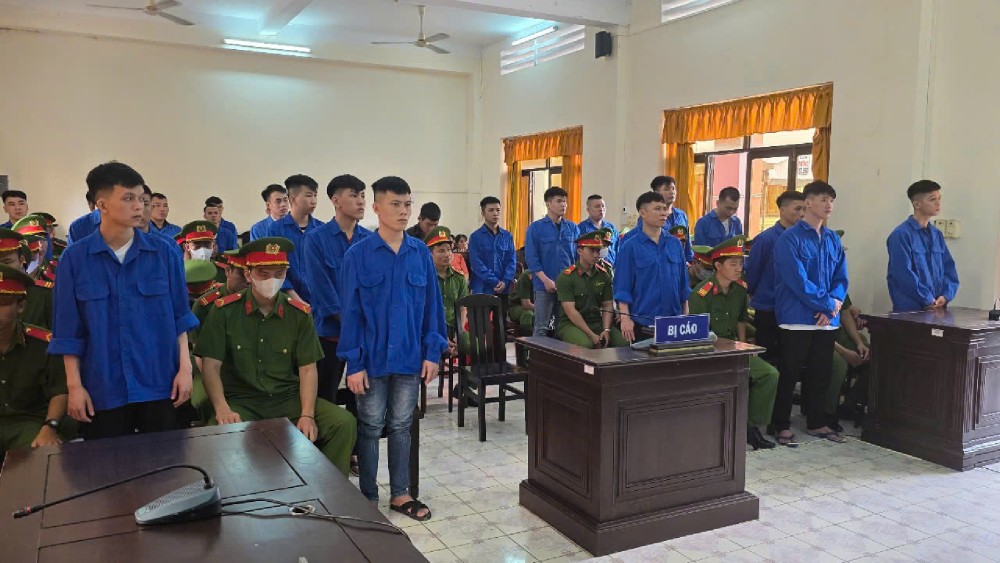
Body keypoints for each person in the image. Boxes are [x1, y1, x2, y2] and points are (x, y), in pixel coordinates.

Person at [49, 161, 197, 440]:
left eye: (142, 199)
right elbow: (68, 331)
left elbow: (180, 317)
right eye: (128, 198)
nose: (139, 206)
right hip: (103, 387)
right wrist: (75, 387)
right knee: (107, 471)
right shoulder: (75, 259)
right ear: (102, 205)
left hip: (159, 381)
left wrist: (185, 370)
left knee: (167, 468)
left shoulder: (164, 253)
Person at [195, 237, 357, 476]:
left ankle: (328, 491)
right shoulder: (224, 312)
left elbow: (308, 369)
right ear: (248, 275)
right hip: (242, 400)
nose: (271, 280)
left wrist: (307, 414)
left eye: (279, 273)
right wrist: (222, 408)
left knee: (343, 423)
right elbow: (210, 366)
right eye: (263, 273)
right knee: (217, 434)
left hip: (286, 398)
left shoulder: (299, 314)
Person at [338, 176, 447, 522]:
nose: (403, 212)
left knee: (401, 425)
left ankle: (400, 494)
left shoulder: (420, 255)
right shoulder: (358, 256)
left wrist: (432, 353)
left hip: (409, 359)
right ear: (376, 208)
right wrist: (353, 363)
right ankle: (368, 495)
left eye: (407, 204)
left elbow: (433, 308)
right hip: (370, 360)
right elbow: (350, 314)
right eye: (395, 204)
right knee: (369, 427)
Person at [770, 180, 848, 446]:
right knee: (789, 373)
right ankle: (780, 424)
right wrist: (826, 304)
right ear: (808, 204)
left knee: (820, 373)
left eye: (832, 201)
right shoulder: (789, 239)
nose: (829, 205)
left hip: (827, 320)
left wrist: (834, 302)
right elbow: (797, 281)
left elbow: (841, 277)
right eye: (823, 199)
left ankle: (817, 422)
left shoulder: (832, 239)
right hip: (797, 319)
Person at [689, 236, 778, 450]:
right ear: (718, 266)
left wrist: (744, 345)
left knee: (769, 374)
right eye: (733, 264)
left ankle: (752, 427)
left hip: (733, 350)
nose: (739, 268)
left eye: (741, 263)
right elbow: (699, 333)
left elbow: (741, 320)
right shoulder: (701, 294)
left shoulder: (739, 290)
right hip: (710, 351)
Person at [302, 174, 372, 406]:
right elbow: (322, 290)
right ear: (335, 200)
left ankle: (358, 442)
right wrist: (351, 323)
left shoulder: (369, 240)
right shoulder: (316, 239)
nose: (361, 201)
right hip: (329, 333)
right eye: (354, 196)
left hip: (363, 336)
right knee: (325, 399)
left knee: (361, 399)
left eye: (363, 196)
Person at [0, 264, 68, 460]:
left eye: (3, 303)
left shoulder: (43, 344)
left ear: (20, 306)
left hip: (28, 423)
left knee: (41, 460)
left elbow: (60, 390)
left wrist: (50, 426)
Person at [614, 191, 690, 342]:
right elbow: (622, 286)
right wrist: (625, 319)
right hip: (643, 322)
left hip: (673, 321)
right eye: (657, 209)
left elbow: (683, 283)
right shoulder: (630, 247)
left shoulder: (674, 244)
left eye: (664, 209)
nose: (663, 213)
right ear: (643, 213)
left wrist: (685, 313)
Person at [744, 191, 806, 363]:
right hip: (768, 307)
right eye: (797, 209)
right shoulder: (766, 239)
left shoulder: (802, 238)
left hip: (794, 308)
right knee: (769, 357)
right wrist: (755, 293)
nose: (802, 214)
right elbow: (753, 272)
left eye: (804, 209)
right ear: (782, 210)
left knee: (790, 357)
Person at [886, 180, 960, 312]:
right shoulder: (901, 235)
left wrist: (946, 295)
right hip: (910, 311)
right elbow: (902, 274)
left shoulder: (937, 235)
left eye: (939, 198)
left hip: (936, 308)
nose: (938, 203)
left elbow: (949, 268)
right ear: (917, 204)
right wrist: (927, 298)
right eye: (932, 199)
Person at [555, 229, 628, 348]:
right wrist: (591, 335)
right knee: (586, 345)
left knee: (623, 344)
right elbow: (571, 311)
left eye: (598, 250)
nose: (596, 254)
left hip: (597, 322)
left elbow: (607, 305)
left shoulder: (603, 275)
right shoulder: (566, 277)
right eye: (591, 250)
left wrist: (606, 329)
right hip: (571, 324)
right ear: (580, 251)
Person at [524, 187, 579, 337]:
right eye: (559, 201)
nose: (563, 205)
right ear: (548, 204)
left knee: (564, 327)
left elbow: (577, 257)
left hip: (568, 286)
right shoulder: (535, 228)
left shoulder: (573, 228)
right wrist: (546, 280)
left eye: (565, 202)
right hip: (544, 286)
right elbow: (532, 258)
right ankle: (536, 359)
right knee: (542, 326)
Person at [267, 174, 324, 304]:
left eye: (315, 195)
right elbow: (275, 268)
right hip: (288, 302)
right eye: (309, 195)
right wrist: (296, 300)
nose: (314, 200)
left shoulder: (322, 229)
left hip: (321, 303)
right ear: (293, 199)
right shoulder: (276, 230)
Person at [621, 176, 693, 263]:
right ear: (656, 192)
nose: (672, 192)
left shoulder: (681, 215)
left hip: (678, 262)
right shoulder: (648, 218)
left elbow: (687, 243)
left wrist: (690, 261)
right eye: (667, 189)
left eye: (673, 188)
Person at [426, 227, 470, 357]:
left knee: (474, 345)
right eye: (441, 251)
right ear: (430, 254)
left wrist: (460, 332)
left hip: (454, 328)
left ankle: (470, 377)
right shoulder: (425, 278)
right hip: (431, 329)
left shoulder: (459, 277)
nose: (447, 254)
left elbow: (463, 307)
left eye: (449, 250)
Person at [467, 197, 516, 311]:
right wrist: (495, 281)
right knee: (481, 326)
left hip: (503, 288)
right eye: (491, 210)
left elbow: (512, 261)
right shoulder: (475, 237)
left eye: (498, 210)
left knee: (501, 325)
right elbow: (477, 264)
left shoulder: (507, 236)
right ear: (483, 213)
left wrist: (505, 280)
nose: (495, 213)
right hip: (482, 288)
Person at [578, 195, 620, 266]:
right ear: (588, 210)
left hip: (610, 270)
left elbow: (617, 250)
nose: (601, 209)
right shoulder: (581, 228)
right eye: (597, 206)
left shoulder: (611, 228)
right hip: (591, 270)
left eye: (603, 206)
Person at [507, 270, 535, 334]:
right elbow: (526, 304)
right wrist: (543, 309)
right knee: (528, 314)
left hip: (538, 305)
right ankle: (526, 340)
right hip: (517, 305)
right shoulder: (526, 276)